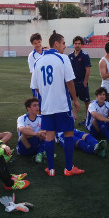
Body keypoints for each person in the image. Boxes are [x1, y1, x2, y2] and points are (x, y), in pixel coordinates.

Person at [30, 32, 83, 177]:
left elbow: (35, 86)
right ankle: (68, 168)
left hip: (46, 106)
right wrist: (75, 100)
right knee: (68, 133)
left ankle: (51, 169)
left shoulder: (37, 61)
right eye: (63, 43)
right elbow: (70, 81)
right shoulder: (63, 58)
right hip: (62, 105)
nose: (65, 46)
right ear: (56, 44)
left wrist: (46, 95)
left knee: (49, 135)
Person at [68, 36, 92, 125]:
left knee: (86, 101)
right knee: (68, 101)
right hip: (72, 83)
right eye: (75, 43)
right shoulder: (69, 56)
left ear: (81, 45)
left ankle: (87, 119)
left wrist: (85, 82)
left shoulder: (85, 55)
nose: (77, 45)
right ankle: (70, 117)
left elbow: (88, 69)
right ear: (73, 44)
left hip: (81, 83)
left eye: (79, 44)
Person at [16, 97, 46, 163]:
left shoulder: (41, 118)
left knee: (47, 134)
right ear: (28, 108)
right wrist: (36, 134)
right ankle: (41, 152)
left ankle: (40, 153)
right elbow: (21, 130)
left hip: (37, 142)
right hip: (25, 146)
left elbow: (48, 130)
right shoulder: (22, 118)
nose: (37, 107)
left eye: (38, 105)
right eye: (34, 105)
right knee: (28, 130)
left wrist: (41, 133)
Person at [28, 33, 44, 104]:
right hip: (38, 84)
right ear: (32, 44)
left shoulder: (46, 52)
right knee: (39, 105)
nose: (37, 45)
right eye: (35, 43)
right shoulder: (32, 56)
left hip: (46, 83)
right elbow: (33, 72)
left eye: (39, 42)